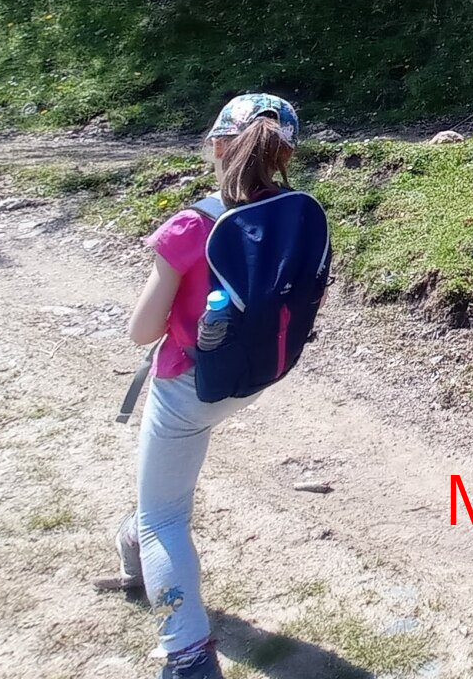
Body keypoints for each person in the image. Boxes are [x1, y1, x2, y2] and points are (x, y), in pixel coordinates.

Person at [115, 94, 308, 679]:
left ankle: (188, 657)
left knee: (163, 518)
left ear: (218, 146)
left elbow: (141, 331)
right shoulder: (295, 214)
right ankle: (132, 556)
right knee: (160, 496)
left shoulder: (192, 225)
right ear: (283, 156)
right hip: (253, 378)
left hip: (186, 387)